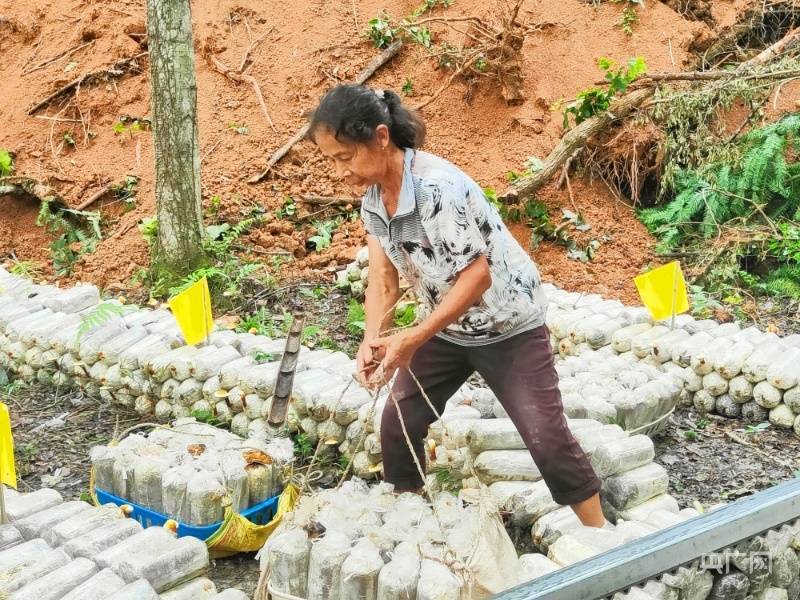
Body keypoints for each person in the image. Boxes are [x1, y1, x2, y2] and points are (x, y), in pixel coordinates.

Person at [306, 83, 609, 528]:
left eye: (344, 156)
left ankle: (602, 535)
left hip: (508, 325)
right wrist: (372, 340)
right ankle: (412, 521)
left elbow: (477, 276)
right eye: (331, 160)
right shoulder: (373, 200)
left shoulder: (436, 188)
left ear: (381, 137)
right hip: (448, 328)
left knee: (545, 438)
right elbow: (383, 281)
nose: (338, 171)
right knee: (398, 422)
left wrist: (413, 337)